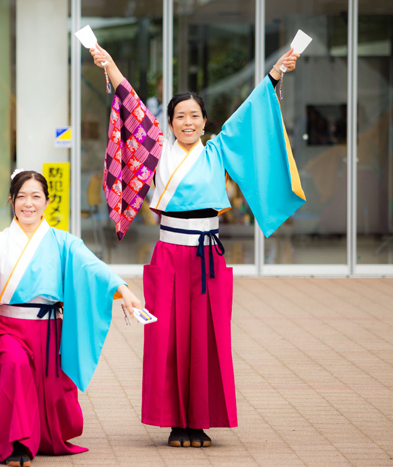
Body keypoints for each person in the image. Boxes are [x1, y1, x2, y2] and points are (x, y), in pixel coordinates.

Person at [90, 45, 305, 448]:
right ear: (169, 124)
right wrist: (111, 65)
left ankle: (200, 421)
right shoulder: (157, 150)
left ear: (205, 121)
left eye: (194, 116)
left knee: (208, 337)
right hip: (170, 254)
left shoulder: (218, 149)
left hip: (208, 256)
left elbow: (250, 113)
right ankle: (175, 422)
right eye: (179, 117)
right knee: (168, 338)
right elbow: (132, 106)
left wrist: (276, 72)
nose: (187, 123)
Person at [0, 170, 142, 466]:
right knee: (15, 365)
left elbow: (93, 268)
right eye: (21, 197)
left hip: (49, 331)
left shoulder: (63, 241)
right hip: (8, 329)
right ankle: (17, 443)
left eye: (36, 197)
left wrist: (124, 290)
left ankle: (41, 436)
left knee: (52, 391)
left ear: (47, 201)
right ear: (11, 201)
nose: (28, 204)